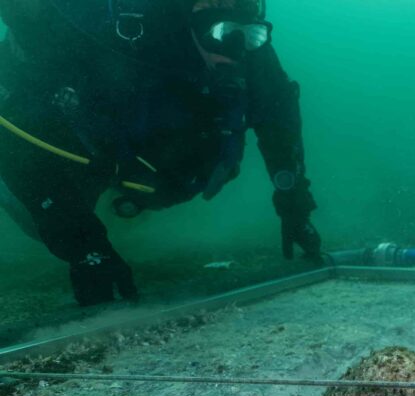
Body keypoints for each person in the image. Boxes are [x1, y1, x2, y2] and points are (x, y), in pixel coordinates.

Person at [0, 0, 321, 306]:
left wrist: (294, 203)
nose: (235, 49)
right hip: (83, 150)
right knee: (36, 222)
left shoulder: (251, 50)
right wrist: (84, 246)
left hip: (152, 173)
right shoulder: (110, 34)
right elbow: (15, 138)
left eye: (248, 35)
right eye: (220, 31)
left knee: (143, 199)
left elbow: (279, 116)